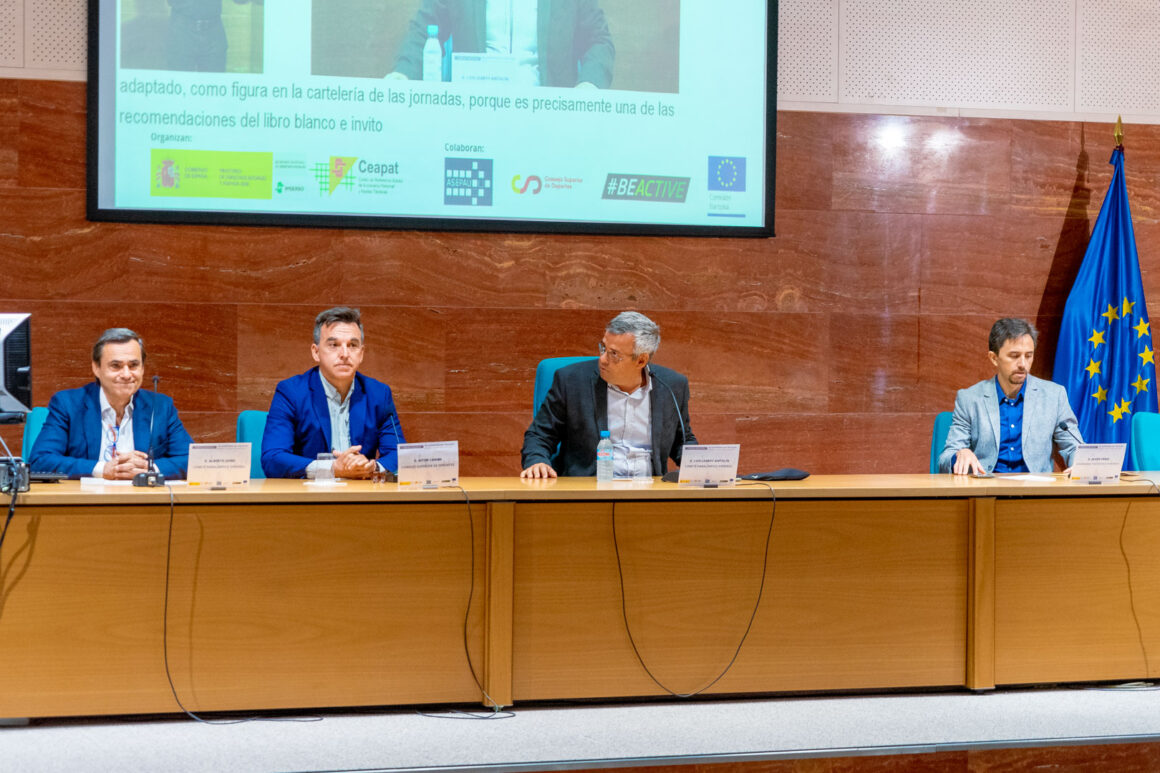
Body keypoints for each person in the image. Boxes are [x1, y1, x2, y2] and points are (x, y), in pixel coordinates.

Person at [521, 311, 695, 478]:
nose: (603, 359)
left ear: (641, 360)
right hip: (591, 489)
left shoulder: (672, 386)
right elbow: (539, 435)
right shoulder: (571, 381)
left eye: (614, 354)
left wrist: (700, 467)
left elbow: (682, 440)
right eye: (603, 348)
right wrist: (537, 462)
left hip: (649, 489)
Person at [30, 328, 193, 479]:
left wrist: (149, 469)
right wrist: (102, 469)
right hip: (87, 498)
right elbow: (41, 460)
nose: (127, 374)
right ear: (96, 368)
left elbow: (193, 460)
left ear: (143, 368)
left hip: (144, 498)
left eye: (134, 365)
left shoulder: (161, 406)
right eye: (116, 366)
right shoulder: (68, 404)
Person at [261, 307, 405, 479]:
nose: (344, 354)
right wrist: (331, 468)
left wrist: (372, 467)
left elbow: (400, 455)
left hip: (362, 492)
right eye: (333, 345)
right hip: (311, 493)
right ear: (316, 352)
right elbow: (273, 458)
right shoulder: (291, 392)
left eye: (352, 345)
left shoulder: (379, 394)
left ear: (361, 354)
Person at [939, 318, 1081, 475]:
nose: (1023, 364)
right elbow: (945, 459)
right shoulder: (970, 399)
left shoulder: (1054, 395)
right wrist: (960, 454)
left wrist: (1080, 463)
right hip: (987, 487)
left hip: (1036, 487)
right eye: (1014, 356)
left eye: (1028, 356)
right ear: (994, 358)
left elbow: (1073, 446)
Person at [388, 0, 614, 88]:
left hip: (548, 114)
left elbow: (598, 40)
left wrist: (589, 85)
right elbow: (424, 30)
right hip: (474, 110)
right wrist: (403, 73)